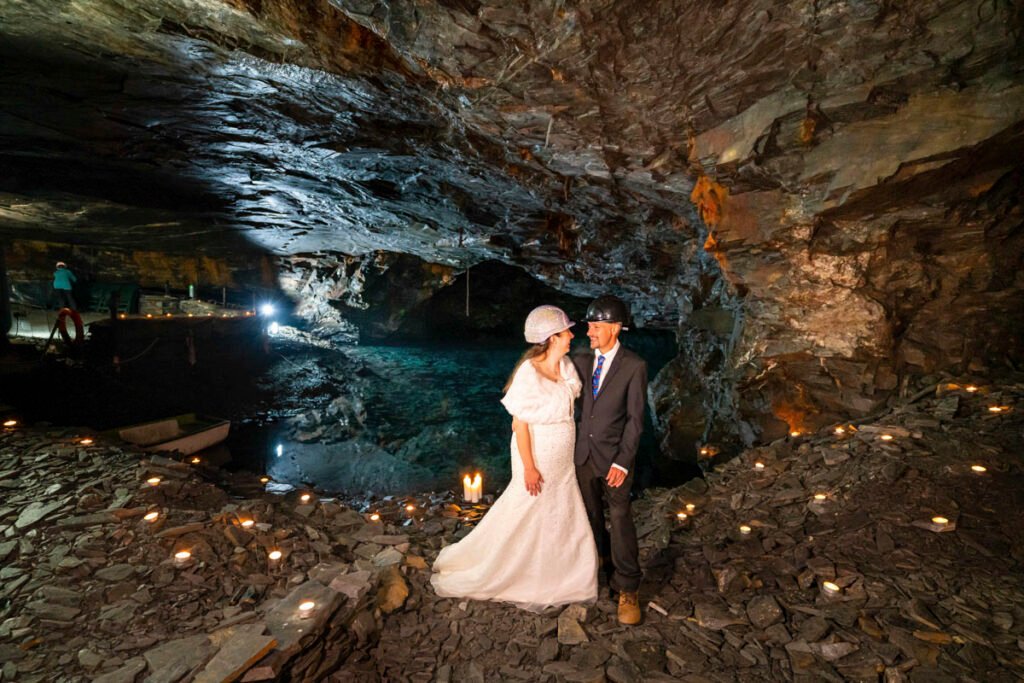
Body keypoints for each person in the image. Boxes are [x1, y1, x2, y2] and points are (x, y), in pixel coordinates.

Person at [431, 305, 598, 611]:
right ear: (551, 338)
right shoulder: (528, 373)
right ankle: (506, 567)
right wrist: (530, 468)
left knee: (560, 508)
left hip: (562, 458)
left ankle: (563, 571)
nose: (572, 335)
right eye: (566, 332)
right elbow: (520, 425)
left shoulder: (566, 366)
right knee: (527, 507)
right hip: (535, 453)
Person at [572, 294, 648, 625]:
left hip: (615, 459)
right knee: (589, 517)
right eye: (589, 325)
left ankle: (628, 587)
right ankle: (598, 573)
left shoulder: (634, 366)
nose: (589, 332)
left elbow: (636, 420)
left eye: (596, 326)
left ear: (615, 329)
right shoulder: (580, 360)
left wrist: (623, 461)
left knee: (619, 518)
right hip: (582, 456)